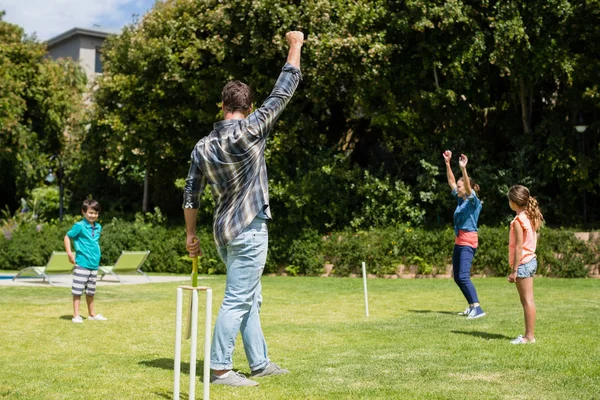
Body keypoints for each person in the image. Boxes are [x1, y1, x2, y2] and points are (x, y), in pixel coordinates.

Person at [183, 31, 304, 387]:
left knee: (251, 296)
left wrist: (191, 235)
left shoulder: (202, 146)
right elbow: (284, 90)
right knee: (238, 298)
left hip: (223, 233)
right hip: (250, 228)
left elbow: (191, 194)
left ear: (222, 106)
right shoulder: (253, 128)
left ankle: (260, 362)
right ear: (248, 108)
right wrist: (294, 45)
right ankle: (220, 369)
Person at [442, 150, 485, 319]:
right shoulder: (461, 200)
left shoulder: (474, 202)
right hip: (459, 241)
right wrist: (447, 163)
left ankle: (478, 308)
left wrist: (463, 169)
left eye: (460, 187)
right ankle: (471, 306)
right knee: (457, 278)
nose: (457, 188)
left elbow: (466, 186)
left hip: (468, 242)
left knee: (463, 276)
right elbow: (452, 182)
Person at [507, 185, 543, 344]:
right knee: (528, 300)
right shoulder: (530, 216)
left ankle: (529, 337)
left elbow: (519, 247)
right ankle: (529, 335)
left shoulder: (518, 221)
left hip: (523, 263)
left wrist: (514, 270)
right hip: (531, 261)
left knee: (527, 301)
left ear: (513, 202)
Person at [64, 199, 107, 323]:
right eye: (91, 212)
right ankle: (76, 316)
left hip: (94, 265)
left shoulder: (98, 227)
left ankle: (92, 314)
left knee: (91, 291)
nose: (93, 215)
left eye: (96, 213)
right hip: (82, 263)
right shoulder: (79, 226)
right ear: (83, 212)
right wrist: (69, 253)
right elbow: (67, 237)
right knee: (77, 291)